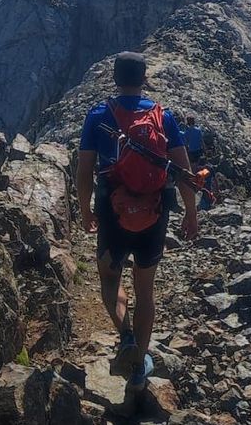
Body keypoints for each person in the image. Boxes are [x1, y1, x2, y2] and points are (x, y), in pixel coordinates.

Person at [76, 51, 199, 390]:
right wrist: (191, 212)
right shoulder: (164, 117)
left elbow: (84, 169)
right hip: (154, 210)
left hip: (111, 208)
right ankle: (139, 372)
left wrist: (85, 208)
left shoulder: (99, 114)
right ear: (144, 79)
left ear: (115, 78)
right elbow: (184, 171)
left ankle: (126, 335)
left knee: (109, 277)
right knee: (146, 289)